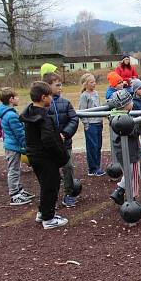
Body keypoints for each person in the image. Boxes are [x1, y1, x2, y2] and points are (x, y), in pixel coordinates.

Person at [20, 81, 68, 230]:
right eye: (50, 96)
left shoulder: (29, 113)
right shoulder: (43, 118)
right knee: (51, 185)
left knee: (46, 185)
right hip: (44, 157)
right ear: (43, 97)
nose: (52, 99)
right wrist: (60, 154)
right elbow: (48, 139)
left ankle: (43, 212)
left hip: (34, 155)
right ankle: (48, 218)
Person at [43, 72, 80, 207]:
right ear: (48, 86)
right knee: (51, 171)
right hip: (49, 146)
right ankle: (52, 198)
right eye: (57, 85)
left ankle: (69, 193)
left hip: (65, 144)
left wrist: (65, 134)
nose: (60, 88)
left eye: (61, 85)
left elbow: (74, 119)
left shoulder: (65, 103)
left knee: (68, 167)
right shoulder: (42, 105)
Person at [0, 88, 33, 205]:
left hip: (11, 146)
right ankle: (14, 195)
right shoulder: (11, 115)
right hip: (13, 147)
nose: (18, 98)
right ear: (11, 99)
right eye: (16, 97)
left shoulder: (6, 113)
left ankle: (19, 190)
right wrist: (27, 145)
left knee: (15, 169)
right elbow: (19, 133)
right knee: (14, 170)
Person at [107, 90, 141, 206]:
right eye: (130, 101)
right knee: (134, 174)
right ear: (125, 105)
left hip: (120, 151)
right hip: (130, 151)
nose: (133, 103)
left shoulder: (114, 116)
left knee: (128, 173)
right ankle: (132, 199)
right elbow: (134, 131)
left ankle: (119, 192)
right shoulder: (124, 120)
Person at [78, 73, 106, 177]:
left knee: (98, 146)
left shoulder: (96, 93)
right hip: (91, 125)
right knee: (92, 146)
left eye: (94, 81)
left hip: (99, 123)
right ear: (85, 84)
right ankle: (92, 168)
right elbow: (82, 111)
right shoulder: (84, 96)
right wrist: (86, 124)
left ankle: (97, 166)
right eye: (91, 82)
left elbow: (99, 106)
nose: (94, 84)